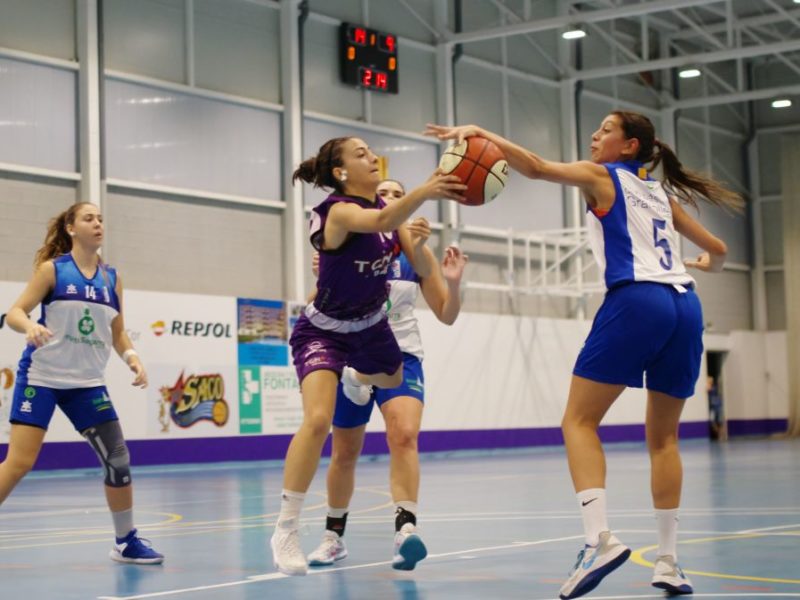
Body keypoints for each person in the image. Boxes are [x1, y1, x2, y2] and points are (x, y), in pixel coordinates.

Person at [426, 112, 741, 599]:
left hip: (637, 300)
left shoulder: (603, 176)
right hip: (686, 305)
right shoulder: (661, 193)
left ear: (629, 146)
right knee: (665, 440)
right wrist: (703, 264)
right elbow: (718, 250)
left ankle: (599, 540)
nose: (595, 136)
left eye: (605, 129)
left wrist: (482, 134)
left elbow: (534, 166)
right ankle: (669, 562)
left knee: (578, 421)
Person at [271, 137, 466, 576]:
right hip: (326, 330)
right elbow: (380, 218)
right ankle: (287, 529)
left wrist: (427, 254)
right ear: (341, 173)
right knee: (318, 422)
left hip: (372, 329)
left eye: (371, 152)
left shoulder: (396, 227)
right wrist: (429, 186)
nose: (372, 158)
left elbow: (424, 271)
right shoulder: (338, 211)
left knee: (392, 383)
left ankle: (359, 377)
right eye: (360, 155)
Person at [1, 202, 164, 564]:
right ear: (72, 228)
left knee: (118, 460)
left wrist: (133, 358)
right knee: (19, 462)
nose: (97, 223)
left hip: (87, 384)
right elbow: (14, 312)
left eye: (101, 218)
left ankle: (125, 542)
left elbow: (117, 331)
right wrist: (30, 326)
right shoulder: (53, 270)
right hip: (41, 378)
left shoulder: (112, 278)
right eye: (89, 218)